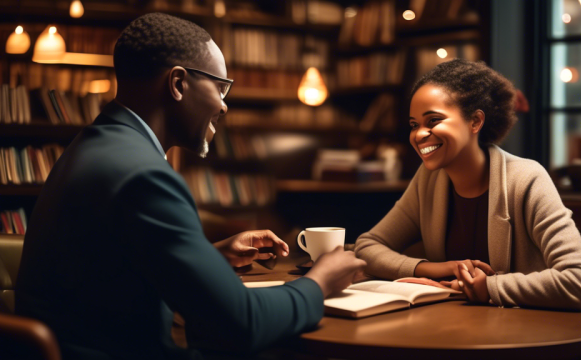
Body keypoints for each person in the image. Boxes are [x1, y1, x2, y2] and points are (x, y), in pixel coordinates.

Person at [16, 13, 365, 360]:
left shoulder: (97, 144)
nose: (224, 105)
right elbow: (238, 325)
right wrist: (319, 283)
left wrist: (207, 257)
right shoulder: (143, 174)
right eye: (220, 87)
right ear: (178, 83)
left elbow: (108, 275)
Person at [355, 59, 581, 310]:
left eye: (433, 120)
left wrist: (489, 288)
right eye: (414, 125)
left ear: (475, 122)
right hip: (454, 332)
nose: (419, 134)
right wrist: (437, 269)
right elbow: (367, 247)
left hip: (526, 337)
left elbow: (579, 282)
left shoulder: (527, 179)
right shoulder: (429, 179)